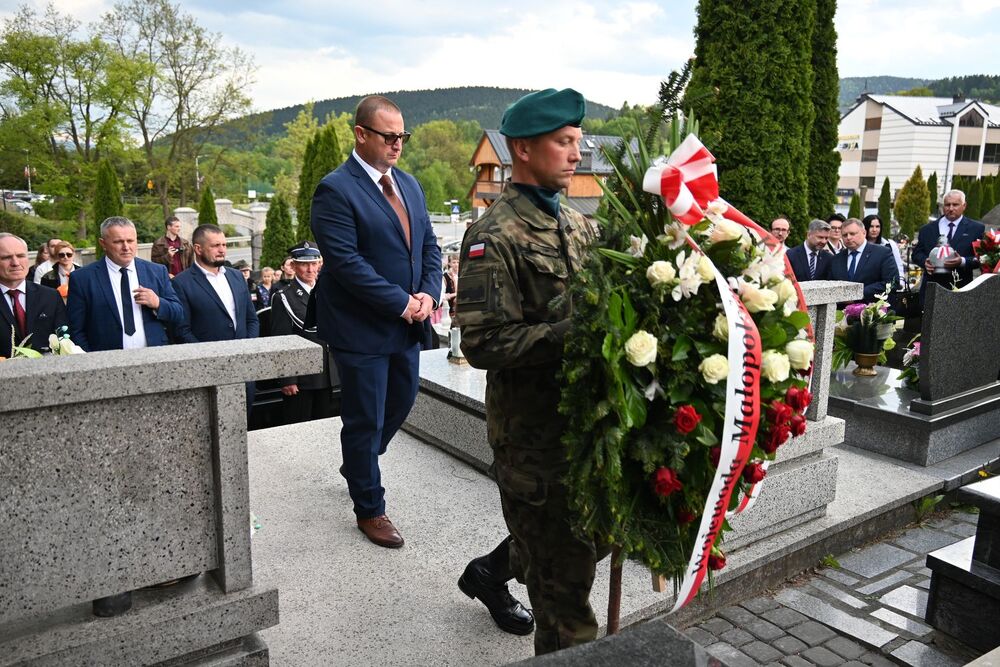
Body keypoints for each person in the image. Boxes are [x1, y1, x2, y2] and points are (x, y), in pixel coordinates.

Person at [455, 88, 605, 655]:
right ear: (522, 149)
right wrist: (574, 336)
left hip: (586, 429)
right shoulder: (494, 236)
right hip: (535, 442)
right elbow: (485, 342)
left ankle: (496, 570)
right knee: (569, 618)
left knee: (580, 543)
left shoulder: (578, 224)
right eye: (564, 142)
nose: (577, 153)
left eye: (578, 142)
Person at [311, 94, 441, 549]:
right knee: (364, 420)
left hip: (406, 324)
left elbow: (428, 246)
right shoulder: (336, 189)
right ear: (361, 134)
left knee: (401, 404)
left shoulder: (410, 184)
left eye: (403, 135)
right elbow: (346, 263)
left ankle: (358, 462)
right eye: (389, 136)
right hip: (360, 328)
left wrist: (428, 292)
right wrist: (402, 302)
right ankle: (370, 507)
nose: (398, 144)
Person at [67, 217, 183, 352]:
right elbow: (76, 329)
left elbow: (178, 313)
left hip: (153, 357)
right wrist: (91, 360)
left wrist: (157, 302)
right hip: (105, 362)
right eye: (118, 242)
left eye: (130, 241)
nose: (126, 247)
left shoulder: (156, 271)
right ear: (103, 243)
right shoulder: (83, 278)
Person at [270, 241, 339, 423]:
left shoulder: (328, 290)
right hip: (303, 378)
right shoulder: (284, 297)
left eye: (314, 263)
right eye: (304, 264)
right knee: (300, 427)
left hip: (330, 373)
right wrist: (288, 378)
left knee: (327, 427)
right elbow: (281, 339)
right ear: (293, 266)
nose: (310, 269)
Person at [171, 224, 259, 344]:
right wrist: (207, 356)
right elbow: (182, 331)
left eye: (224, 245)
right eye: (216, 245)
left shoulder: (237, 276)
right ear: (198, 249)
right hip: (208, 358)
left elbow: (252, 319)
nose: (222, 250)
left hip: (244, 354)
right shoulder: (181, 283)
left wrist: (249, 346)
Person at [0, 232, 68, 358]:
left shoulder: (51, 297)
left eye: (21, 256)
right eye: (6, 257)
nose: (15, 263)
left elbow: (64, 341)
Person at [911, 189, 985, 296]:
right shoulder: (927, 229)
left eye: (955, 205)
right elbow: (917, 254)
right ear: (943, 206)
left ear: (964, 206)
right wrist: (925, 262)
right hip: (931, 288)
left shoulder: (976, 229)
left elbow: (982, 258)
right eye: (947, 205)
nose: (951, 208)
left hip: (961, 288)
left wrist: (962, 261)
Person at [828, 218, 898, 302]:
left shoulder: (882, 253)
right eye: (845, 235)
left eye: (852, 234)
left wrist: (858, 294)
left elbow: (892, 283)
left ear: (864, 233)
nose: (848, 237)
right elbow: (831, 285)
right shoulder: (836, 259)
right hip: (842, 312)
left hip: (873, 309)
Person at [862, 214, 904, 282]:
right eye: (871, 226)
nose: (874, 230)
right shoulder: (859, 246)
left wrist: (900, 283)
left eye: (877, 226)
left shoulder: (890, 244)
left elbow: (898, 266)